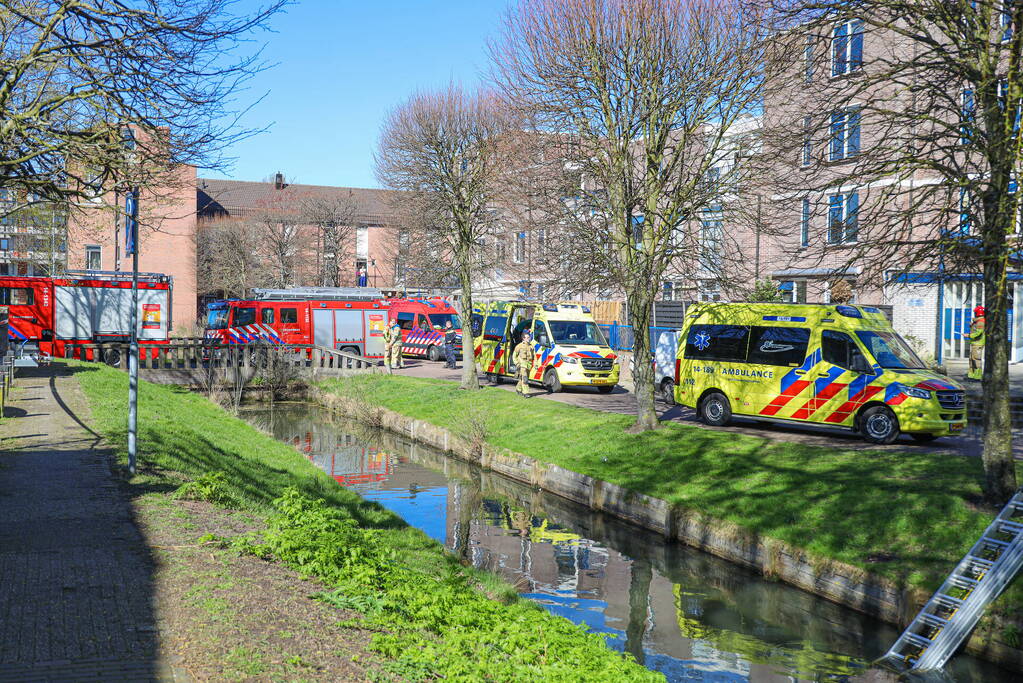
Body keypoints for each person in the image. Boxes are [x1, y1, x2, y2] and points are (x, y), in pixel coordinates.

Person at [512, 329, 536, 396]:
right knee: (525, 378)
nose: (529, 338)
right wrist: (517, 363)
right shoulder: (519, 346)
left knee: (522, 378)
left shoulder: (531, 346)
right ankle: (526, 392)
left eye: (529, 337)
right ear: (523, 338)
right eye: (527, 337)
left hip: (529, 365)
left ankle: (518, 389)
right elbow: (514, 356)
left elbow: (534, 356)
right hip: (522, 364)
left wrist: (536, 364)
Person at [968, 305, 985, 381]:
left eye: (975, 312)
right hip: (975, 343)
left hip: (978, 343)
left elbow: (978, 333)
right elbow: (975, 330)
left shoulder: (981, 322)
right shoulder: (977, 321)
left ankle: (977, 377)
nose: (974, 314)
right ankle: (972, 376)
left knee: (976, 360)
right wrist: (971, 325)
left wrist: (968, 335)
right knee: (972, 359)